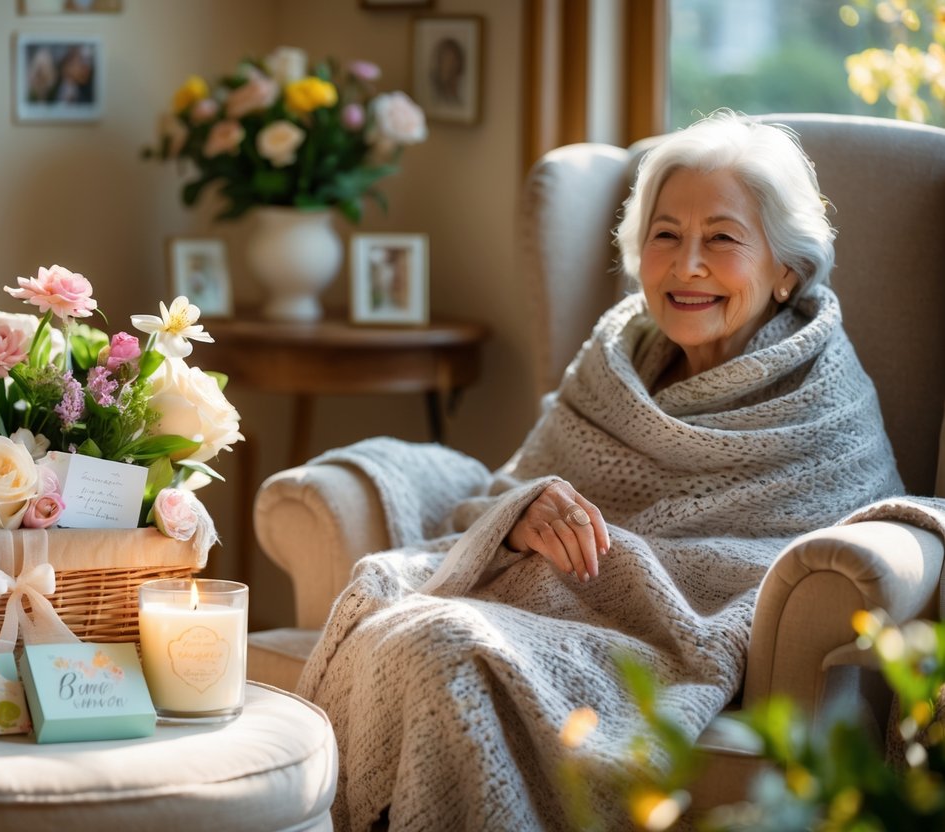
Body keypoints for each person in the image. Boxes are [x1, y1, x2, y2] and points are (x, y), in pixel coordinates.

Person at [296, 111, 923, 830]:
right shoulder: (614, 355)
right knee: (393, 629)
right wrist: (523, 516)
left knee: (433, 643)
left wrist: (630, 573)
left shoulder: (823, 397)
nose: (686, 265)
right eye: (665, 235)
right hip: (544, 611)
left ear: (784, 268)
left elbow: (839, 548)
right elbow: (501, 494)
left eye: (721, 238)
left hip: (675, 645)